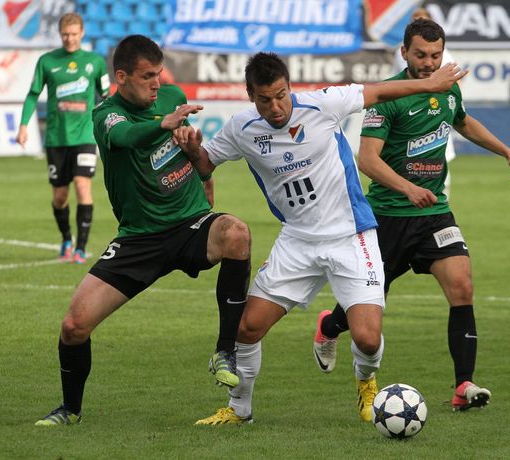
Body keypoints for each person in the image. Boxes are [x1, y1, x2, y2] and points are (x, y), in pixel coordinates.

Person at [173, 52, 466, 425]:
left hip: (350, 235)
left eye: (281, 95)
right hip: (297, 240)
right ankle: (238, 410)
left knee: (367, 338)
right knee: (247, 328)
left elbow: (377, 92)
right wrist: (192, 147)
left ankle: (366, 382)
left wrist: (429, 83)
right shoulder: (241, 128)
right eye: (265, 99)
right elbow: (206, 163)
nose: (277, 107)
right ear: (251, 96)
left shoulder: (322, 104)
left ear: (289, 87)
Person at [34, 35, 252, 426]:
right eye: (147, 76)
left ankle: (224, 351)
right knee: (73, 326)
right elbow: (128, 136)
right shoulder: (105, 115)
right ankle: (71, 410)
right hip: (139, 238)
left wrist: (189, 141)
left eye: (158, 74)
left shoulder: (172, 97)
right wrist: (164, 125)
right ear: (121, 77)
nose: (156, 83)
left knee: (236, 233)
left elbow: (201, 166)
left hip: (190, 224)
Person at [314, 18, 510, 412]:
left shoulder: (448, 89)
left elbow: (462, 121)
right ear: (404, 53)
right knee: (364, 309)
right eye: (421, 55)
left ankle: (463, 386)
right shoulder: (389, 96)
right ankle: (329, 326)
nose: (430, 63)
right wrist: (408, 187)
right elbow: (367, 159)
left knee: (462, 286)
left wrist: (507, 152)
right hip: (388, 217)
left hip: (435, 215)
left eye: (436, 55)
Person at [16, 12, 110, 264]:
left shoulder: (95, 62)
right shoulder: (47, 62)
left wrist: (111, 124)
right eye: (65, 34)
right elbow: (33, 94)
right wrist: (24, 125)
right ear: (60, 34)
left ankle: (81, 247)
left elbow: (107, 97)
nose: (70, 39)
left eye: (74, 34)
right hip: (56, 138)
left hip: (85, 136)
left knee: (82, 185)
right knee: (60, 197)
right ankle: (66, 238)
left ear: (82, 33)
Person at [393, 6, 457, 197]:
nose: (428, 62)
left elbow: (456, 80)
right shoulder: (400, 52)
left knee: (440, 177)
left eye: (435, 56)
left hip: (436, 117)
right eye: (414, 17)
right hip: (408, 113)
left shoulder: (444, 52)